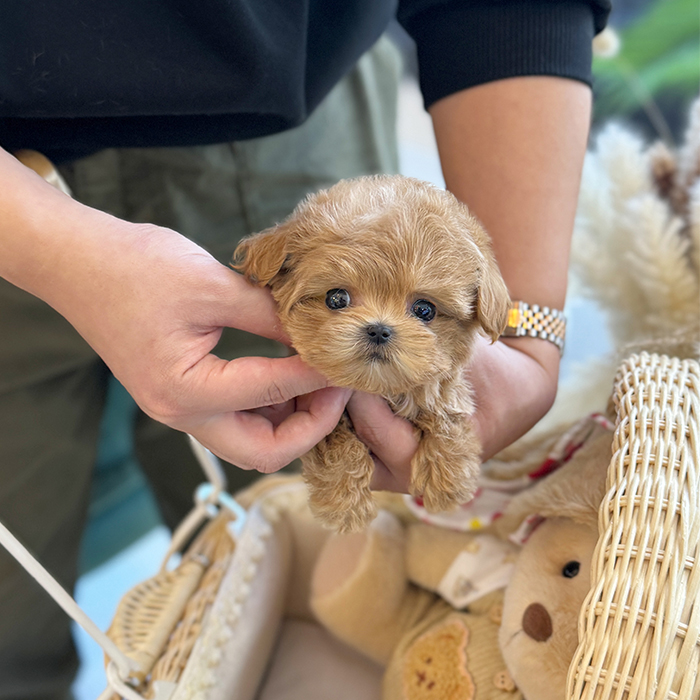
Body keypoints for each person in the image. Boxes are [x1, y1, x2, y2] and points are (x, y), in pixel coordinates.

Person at [0, 1, 610, 698]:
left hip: (286, 120)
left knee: (334, 562)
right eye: (351, 305)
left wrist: (527, 329)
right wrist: (47, 245)